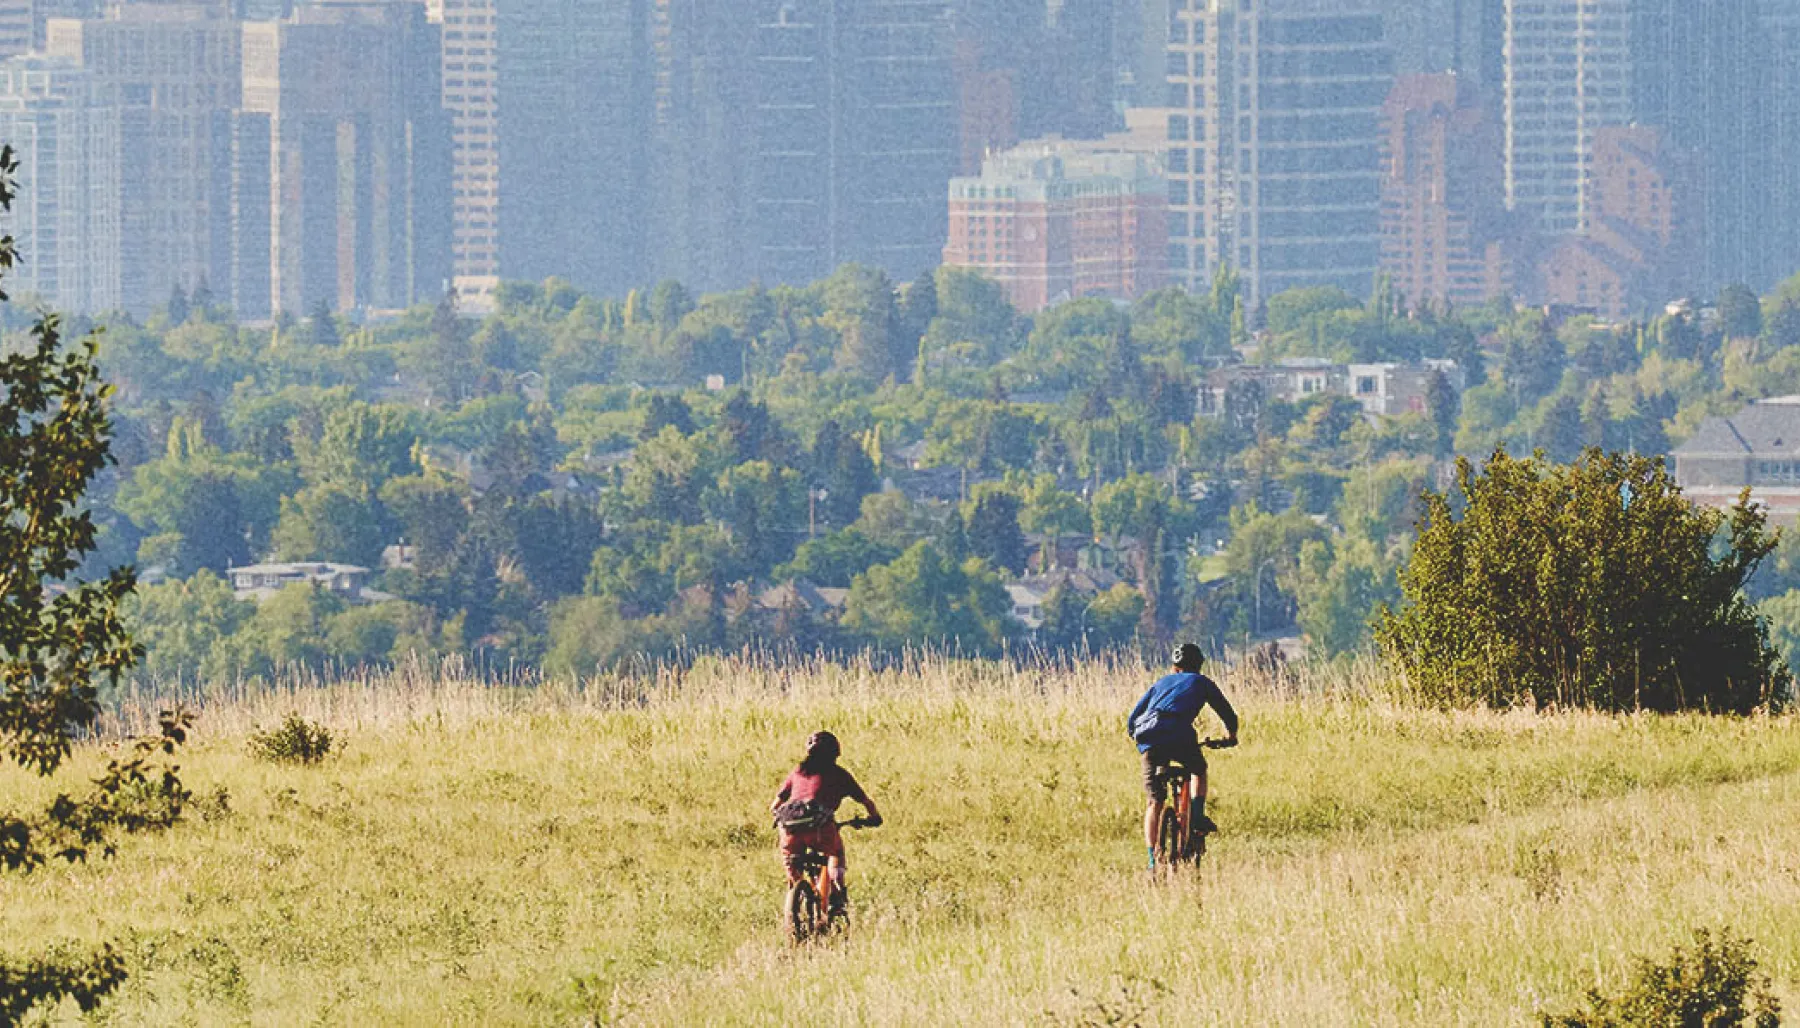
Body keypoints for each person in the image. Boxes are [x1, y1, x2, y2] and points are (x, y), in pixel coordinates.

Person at [1128, 642, 1239, 870]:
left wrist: (1141, 740)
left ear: (1174, 666)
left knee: (1154, 801)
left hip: (1150, 741)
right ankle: (1197, 815)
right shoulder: (1201, 682)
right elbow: (1225, 711)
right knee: (1199, 770)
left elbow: (1132, 720)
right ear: (1199, 665)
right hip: (1179, 734)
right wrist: (1231, 734)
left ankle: (1152, 860)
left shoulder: (1160, 683)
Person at [771, 730, 882, 915]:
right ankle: (837, 895)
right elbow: (866, 802)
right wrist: (874, 818)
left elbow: (774, 806)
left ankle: (795, 896)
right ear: (835, 754)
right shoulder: (839, 774)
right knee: (835, 853)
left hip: (789, 830)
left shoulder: (798, 771)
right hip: (820, 830)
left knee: (792, 862)